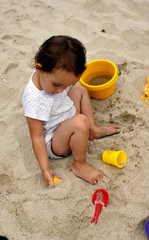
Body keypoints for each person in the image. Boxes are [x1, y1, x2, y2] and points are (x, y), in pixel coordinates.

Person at [22, 35, 120, 187]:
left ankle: (92, 131)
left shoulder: (50, 76)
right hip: (55, 141)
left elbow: (65, 87)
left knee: (79, 88)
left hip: (65, 118)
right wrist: (46, 170)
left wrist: (69, 86)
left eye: (67, 85)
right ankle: (79, 165)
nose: (61, 90)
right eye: (57, 85)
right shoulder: (34, 98)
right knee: (81, 122)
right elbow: (37, 137)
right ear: (39, 68)